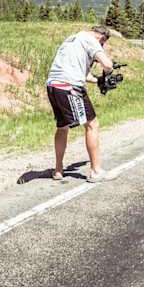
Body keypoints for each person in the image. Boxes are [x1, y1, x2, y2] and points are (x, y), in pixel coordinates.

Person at [46, 25, 116, 183]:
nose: (102, 46)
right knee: (92, 125)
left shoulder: (72, 39)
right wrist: (107, 73)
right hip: (70, 87)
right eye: (103, 44)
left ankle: (58, 170)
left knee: (62, 127)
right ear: (101, 38)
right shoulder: (91, 40)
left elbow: (83, 74)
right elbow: (108, 64)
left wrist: (98, 80)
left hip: (53, 85)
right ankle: (96, 171)